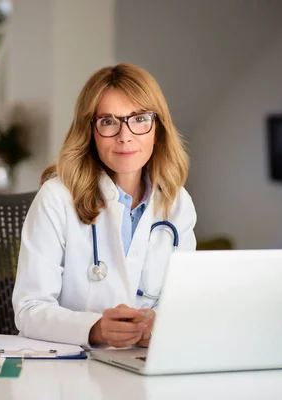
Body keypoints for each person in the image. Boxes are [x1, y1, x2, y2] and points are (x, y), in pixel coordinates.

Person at [12, 63, 197, 348]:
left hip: (142, 363)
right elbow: (29, 310)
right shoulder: (57, 198)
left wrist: (157, 327)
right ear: (90, 131)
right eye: (108, 121)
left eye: (139, 119)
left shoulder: (177, 203)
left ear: (157, 128)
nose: (125, 136)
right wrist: (96, 329)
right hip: (70, 370)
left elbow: (183, 303)